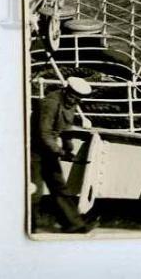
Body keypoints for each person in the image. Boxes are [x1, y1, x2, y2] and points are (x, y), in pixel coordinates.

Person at [35, 76, 95, 233]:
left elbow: (66, 129)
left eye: (79, 98)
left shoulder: (70, 104)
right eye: (73, 96)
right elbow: (44, 133)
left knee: (59, 185)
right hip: (33, 149)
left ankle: (73, 224)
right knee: (34, 189)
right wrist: (59, 151)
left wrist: (69, 150)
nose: (75, 101)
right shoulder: (51, 103)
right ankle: (29, 226)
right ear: (66, 90)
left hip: (49, 149)